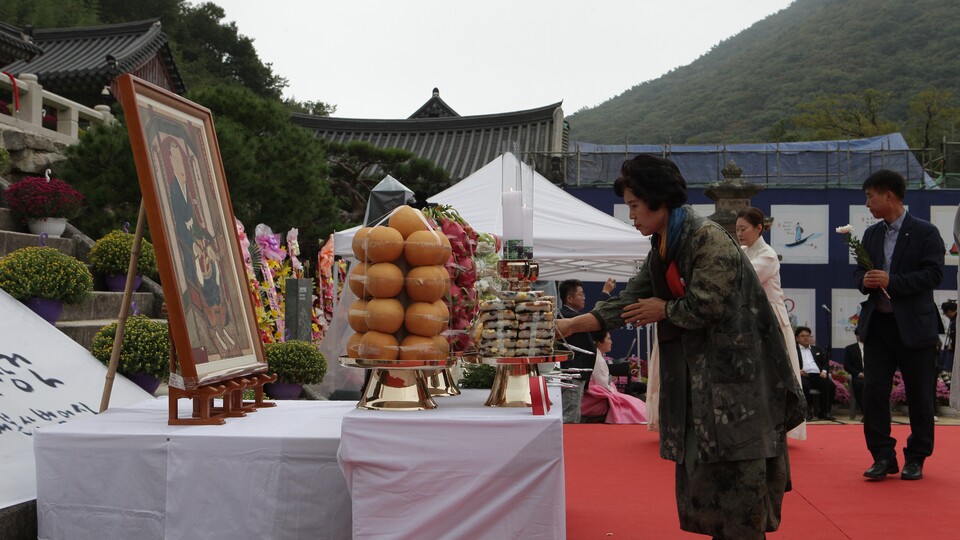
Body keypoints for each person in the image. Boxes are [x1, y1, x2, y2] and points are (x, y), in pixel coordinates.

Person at [556, 154, 804, 539]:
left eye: (635, 206)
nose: (632, 216)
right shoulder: (663, 244)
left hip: (739, 384)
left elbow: (707, 303)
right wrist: (571, 324)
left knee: (740, 489)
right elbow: (630, 301)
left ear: (660, 201)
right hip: (705, 382)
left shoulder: (707, 238)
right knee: (709, 481)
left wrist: (664, 308)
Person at [855, 169, 944, 481]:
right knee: (874, 391)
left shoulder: (926, 232)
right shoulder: (870, 235)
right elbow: (859, 275)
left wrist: (893, 280)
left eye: (870, 196)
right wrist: (864, 281)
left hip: (915, 328)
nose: (867, 203)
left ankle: (916, 457)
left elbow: (934, 275)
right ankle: (882, 456)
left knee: (920, 395)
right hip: (879, 326)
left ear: (888, 196)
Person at [736, 206, 807, 440]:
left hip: (769, 319)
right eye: (737, 229)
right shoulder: (743, 251)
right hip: (749, 317)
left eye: (743, 228)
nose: (739, 233)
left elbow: (744, 278)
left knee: (773, 375)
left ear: (759, 228)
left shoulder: (767, 254)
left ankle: (777, 424)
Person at [558, 278, 616, 423]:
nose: (584, 297)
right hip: (572, 374)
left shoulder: (570, 317)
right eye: (580, 294)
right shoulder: (568, 317)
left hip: (575, 374)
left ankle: (570, 443)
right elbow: (596, 317)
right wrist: (605, 293)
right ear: (570, 298)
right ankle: (568, 444)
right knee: (570, 418)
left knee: (573, 415)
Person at [580, 331, 648, 424]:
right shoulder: (597, 358)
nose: (611, 342)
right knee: (634, 404)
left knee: (635, 402)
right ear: (599, 342)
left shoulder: (597, 356)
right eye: (608, 339)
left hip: (603, 392)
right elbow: (602, 384)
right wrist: (612, 390)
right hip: (600, 395)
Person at [795, 326, 836, 421]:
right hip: (803, 375)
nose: (806, 338)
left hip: (817, 375)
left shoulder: (816, 349)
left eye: (808, 336)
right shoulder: (793, 350)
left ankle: (824, 412)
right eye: (803, 336)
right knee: (803, 386)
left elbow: (825, 362)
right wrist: (797, 370)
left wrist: (824, 371)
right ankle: (807, 413)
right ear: (797, 338)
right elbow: (789, 362)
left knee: (830, 386)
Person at [844, 328, 866, 417]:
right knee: (861, 385)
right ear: (857, 336)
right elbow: (847, 366)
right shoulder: (850, 349)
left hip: (872, 376)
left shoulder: (874, 347)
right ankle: (866, 413)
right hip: (859, 377)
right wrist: (859, 374)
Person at [940, 300, 956, 373]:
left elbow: (955, 338)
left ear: (949, 311)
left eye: (945, 314)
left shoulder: (955, 322)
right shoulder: (954, 321)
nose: (946, 316)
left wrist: (952, 346)